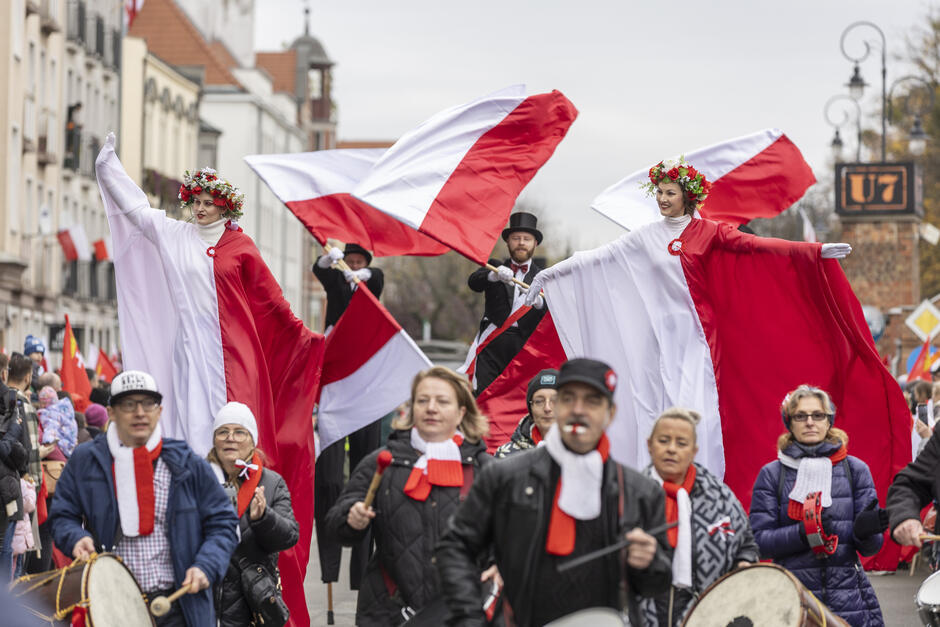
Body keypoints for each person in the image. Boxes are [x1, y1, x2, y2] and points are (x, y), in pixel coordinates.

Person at [437, 358, 672, 626]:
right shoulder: (504, 477)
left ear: (611, 412)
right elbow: (455, 546)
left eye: (592, 401)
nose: (578, 410)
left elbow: (657, 584)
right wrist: (470, 617)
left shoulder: (640, 492)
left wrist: (649, 563)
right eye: (568, 399)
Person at [50, 370, 238, 627]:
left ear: (159, 411)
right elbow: (62, 515)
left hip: (179, 605)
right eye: (129, 404)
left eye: (148, 404)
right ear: (111, 412)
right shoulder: (86, 460)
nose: (140, 412)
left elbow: (223, 523)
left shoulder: (186, 463)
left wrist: (207, 565)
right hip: (110, 606)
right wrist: (76, 537)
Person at [325, 367, 492, 626]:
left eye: (442, 401)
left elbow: (512, 536)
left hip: (464, 614)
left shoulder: (485, 468)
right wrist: (351, 518)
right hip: (390, 613)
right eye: (422, 400)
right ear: (412, 408)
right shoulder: (382, 462)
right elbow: (336, 525)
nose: (431, 408)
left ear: (461, 412)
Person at [749, 385, 886, 627]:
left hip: (848, 602)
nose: (810, 422)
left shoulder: (855, 470)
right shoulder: (772, 474)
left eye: (818, 415)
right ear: (790, 423)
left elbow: (871, 548)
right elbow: (759, 544)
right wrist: (803, 534)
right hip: (792, 601)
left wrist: (866, 533)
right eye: (801, 416)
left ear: (829, 421)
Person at [640, 407, 758, 626]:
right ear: (649, 445)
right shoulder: (631, 494)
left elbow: (746, 543)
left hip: (710, 612)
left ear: (694, 451)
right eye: (663, 441)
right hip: (645, 611)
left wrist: (745, 562)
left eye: (681, 443)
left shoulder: (720, 497)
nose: (671, 449)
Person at [312, 242, 385, 590]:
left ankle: (360, 573)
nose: (353, 266)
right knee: (328, 480)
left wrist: (361, 274)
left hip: (365, 393)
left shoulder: (371, 283)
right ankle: (329, 570)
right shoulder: (336, 284)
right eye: (350, 261)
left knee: (364, 474)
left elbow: (377, 277)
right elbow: (321, 272)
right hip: (335, 391)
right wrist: (331, 263)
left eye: (359, 261)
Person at [207, 402, 298, 627]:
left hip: (251, 606)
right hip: (204, 600)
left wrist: (264, 518)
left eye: (240, 432)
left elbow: (289, 536)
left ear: (252, 441)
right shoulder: (198, 480)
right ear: (214, 440)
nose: (230, 438)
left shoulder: (271, 483)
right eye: (223, 432)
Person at [467, 212, 547, 394]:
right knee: (485, 395)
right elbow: (473, 282)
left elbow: (553, 312)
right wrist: (493, 275)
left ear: (535, 243)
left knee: (519, 398)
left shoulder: (543, 276)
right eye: (516, 238)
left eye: (526, 239)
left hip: (525, 347)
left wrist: (540, 303)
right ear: (507, 242)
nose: (521, 243)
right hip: (493, 344)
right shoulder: (495, 266)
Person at [313, 242, 385, 331]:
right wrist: (328, 258)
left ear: (366, 264)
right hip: (337, 332)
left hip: (364, 332)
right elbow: (319, 269)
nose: (355, 265)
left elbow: (377, 275)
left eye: (359, 262)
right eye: (350, 262)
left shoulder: (371, 281)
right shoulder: (336, 278)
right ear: (344, 262)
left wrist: (359, 275)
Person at [495, 368, 557, 457]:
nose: (547, 408)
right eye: (539, 401)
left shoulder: (578, 452)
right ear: (530, 408)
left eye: (555, 401)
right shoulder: (506, 455)